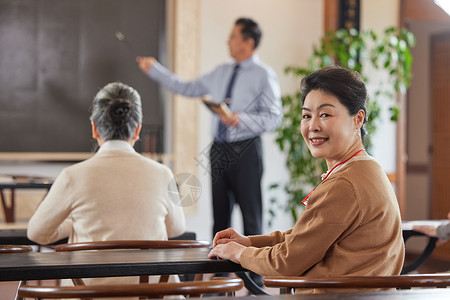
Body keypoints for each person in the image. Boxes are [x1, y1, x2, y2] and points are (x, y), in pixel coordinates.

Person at [208, 66, 405, 294]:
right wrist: (250, 242)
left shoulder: (346, 184)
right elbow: (305, 237)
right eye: (306, 115)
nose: (313, 126)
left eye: (325, 114)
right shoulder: (366, 169)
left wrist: (237, 252)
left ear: (358, 119)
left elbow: (286, 261)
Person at [137, 18, 281, 256]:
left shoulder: (264, 75)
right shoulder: (221, 72)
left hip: (246, 150)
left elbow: (275, 117)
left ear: (249, 42)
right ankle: (220, 274)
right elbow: (186, 87)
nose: (228, 41)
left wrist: (241, 119)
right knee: (220, 217)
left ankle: (254, 280)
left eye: (233, 36)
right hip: (219, 148)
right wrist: (155, 70)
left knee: (251, 217)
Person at [28, 82, 186, 287]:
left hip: (88, 293)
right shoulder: (163, 173)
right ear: (138, 130)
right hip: (151, 294)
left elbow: (37, 233)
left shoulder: (71, 176)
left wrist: (77, 223)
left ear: (94, 128)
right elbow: (176, 228)